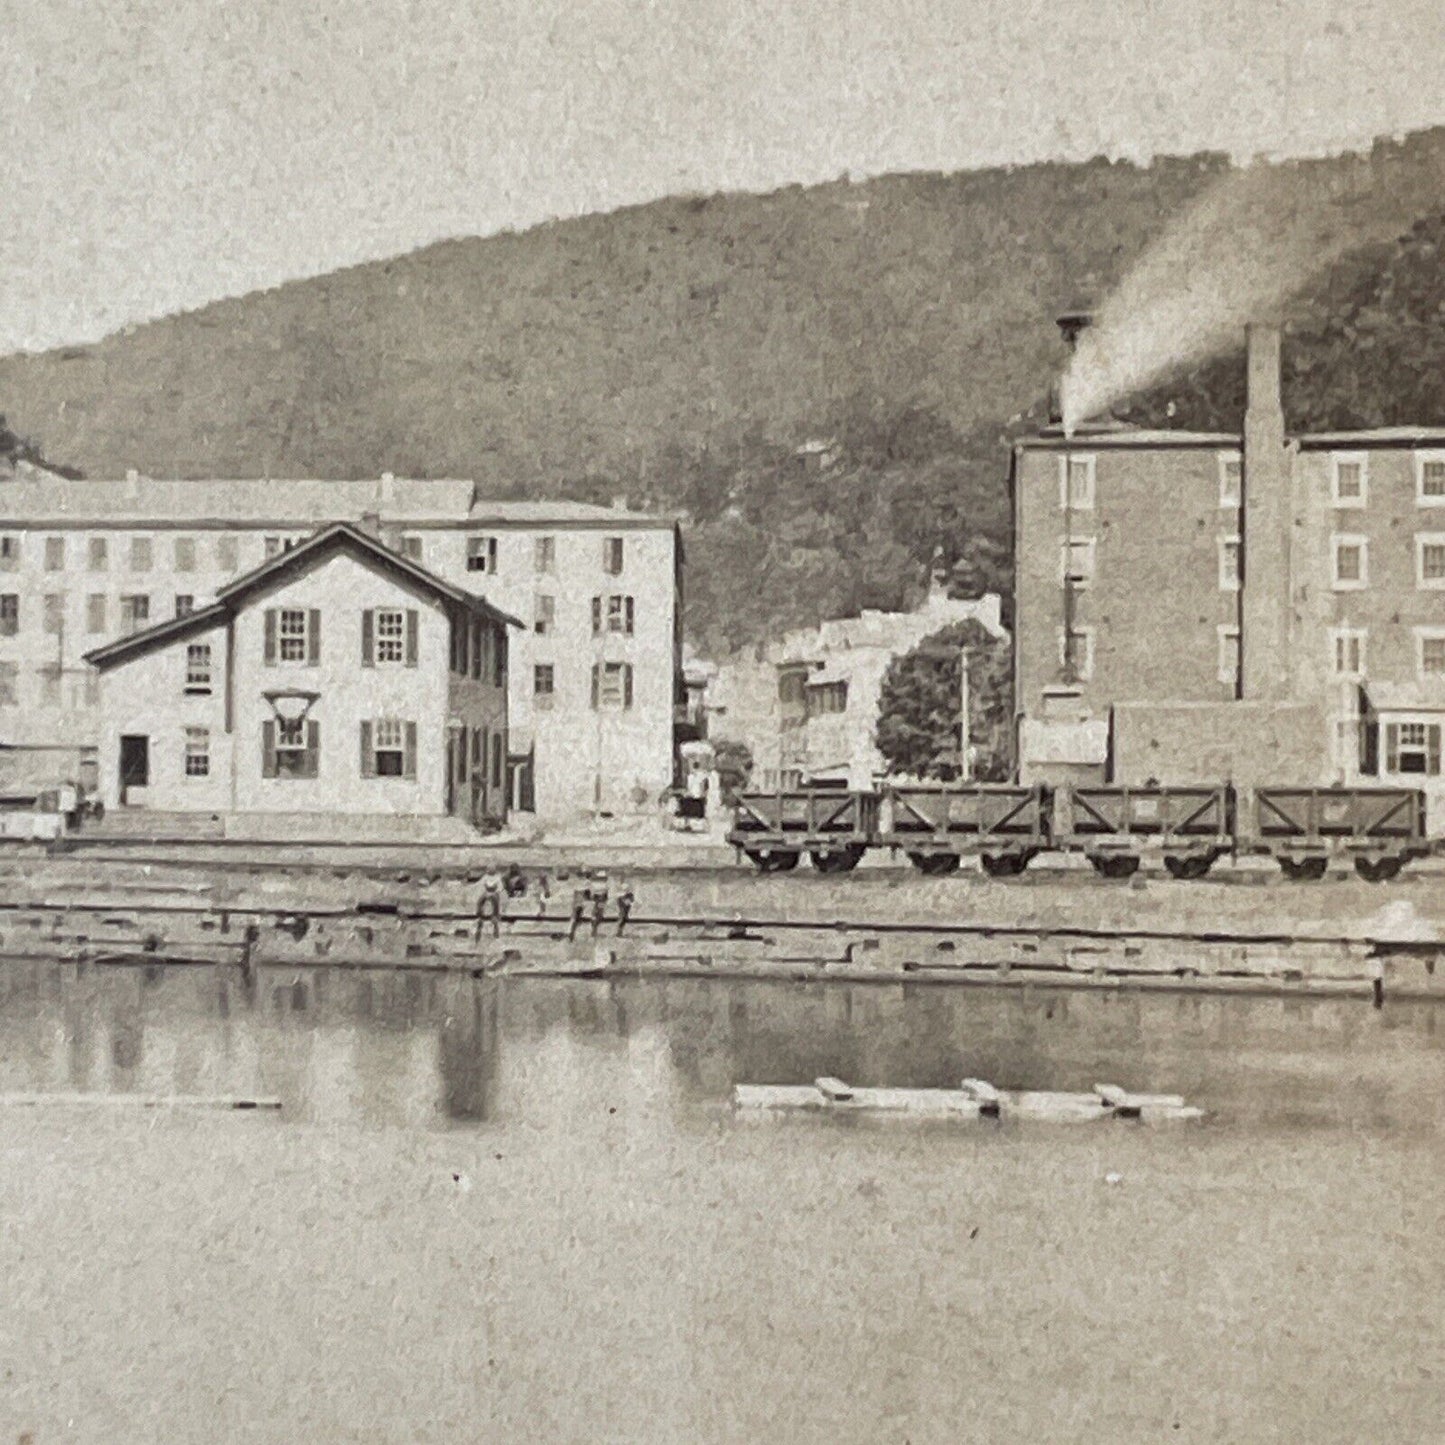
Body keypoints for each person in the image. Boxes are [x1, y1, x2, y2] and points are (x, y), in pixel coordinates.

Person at [475, 867, 503, 940]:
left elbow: (500, 887)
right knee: (480, 900)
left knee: (495, 899)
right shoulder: (485, 877)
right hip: (486, 892)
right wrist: (485, 891)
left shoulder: (497, 878)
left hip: (494, 893)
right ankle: (479, 912)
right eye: (489, 869)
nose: (490, 871)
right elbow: (480, 884)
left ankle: (495, 915)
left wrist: (496, 892)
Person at [589, 869, 610, 937]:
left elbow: (591, 895)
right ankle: (594, 931)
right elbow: (606, 895)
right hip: (601, 900)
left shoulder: (594, 884)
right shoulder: (604, 885)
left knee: (595, 915)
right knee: (599, 915)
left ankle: (594, 930)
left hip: (597, 900)